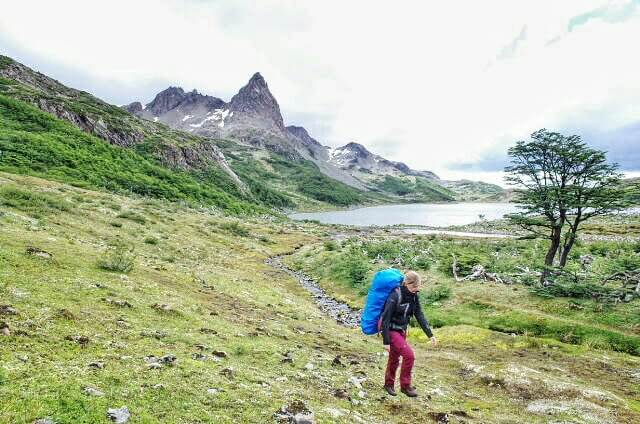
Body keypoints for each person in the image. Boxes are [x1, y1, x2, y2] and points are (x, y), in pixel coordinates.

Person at [380, 270, 437, 397]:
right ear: (406, 283)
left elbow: (419, 315)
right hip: (391, 330)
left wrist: (430, 334)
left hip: (402, 330)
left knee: (394, 358)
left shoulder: (414, 297)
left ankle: (388, 385)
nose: (416, 289)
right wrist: (386, 341)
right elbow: (385, 318)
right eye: (414, 287)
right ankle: (405, 386)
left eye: (418, 287)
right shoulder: (395, 295)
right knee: (409, 356)